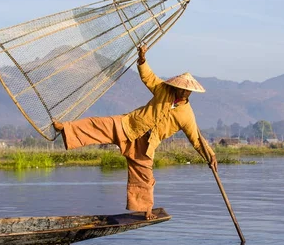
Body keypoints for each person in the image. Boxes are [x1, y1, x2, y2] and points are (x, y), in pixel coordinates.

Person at [53, 44, 217, 220]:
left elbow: (196, 140)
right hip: (129, 125)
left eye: (188, 91)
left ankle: (146, 210)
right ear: (177, 87)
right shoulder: (163, 90)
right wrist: (142, 58)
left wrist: (210, 156)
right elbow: (148, 77)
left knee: (145, 179)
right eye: (183, 89)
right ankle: (66, 128)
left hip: (146, 145)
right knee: (98, 124)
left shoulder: (187, 115)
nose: (185, 92)